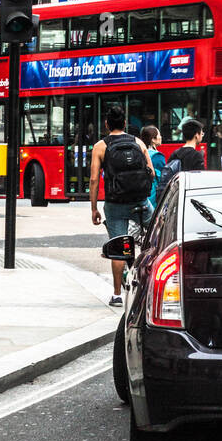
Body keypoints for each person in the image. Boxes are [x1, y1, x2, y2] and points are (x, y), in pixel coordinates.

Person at [90, 107, 155, 308]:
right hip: (140, 202)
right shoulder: (138, 142)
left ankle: (117, 294)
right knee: (156, 235)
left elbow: (93, 179)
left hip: (115, 203)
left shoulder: (100, 146)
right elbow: (151, 172)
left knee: (118, 247)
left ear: (107, 124)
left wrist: (94, 208)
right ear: (125, 123)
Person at [140, 124, 167, 206]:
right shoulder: (157, 156)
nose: (161, 137)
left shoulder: (139, 152)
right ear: (153, 140)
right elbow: (163, 179)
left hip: (141, 195)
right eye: (159, 135)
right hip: (153, 196)